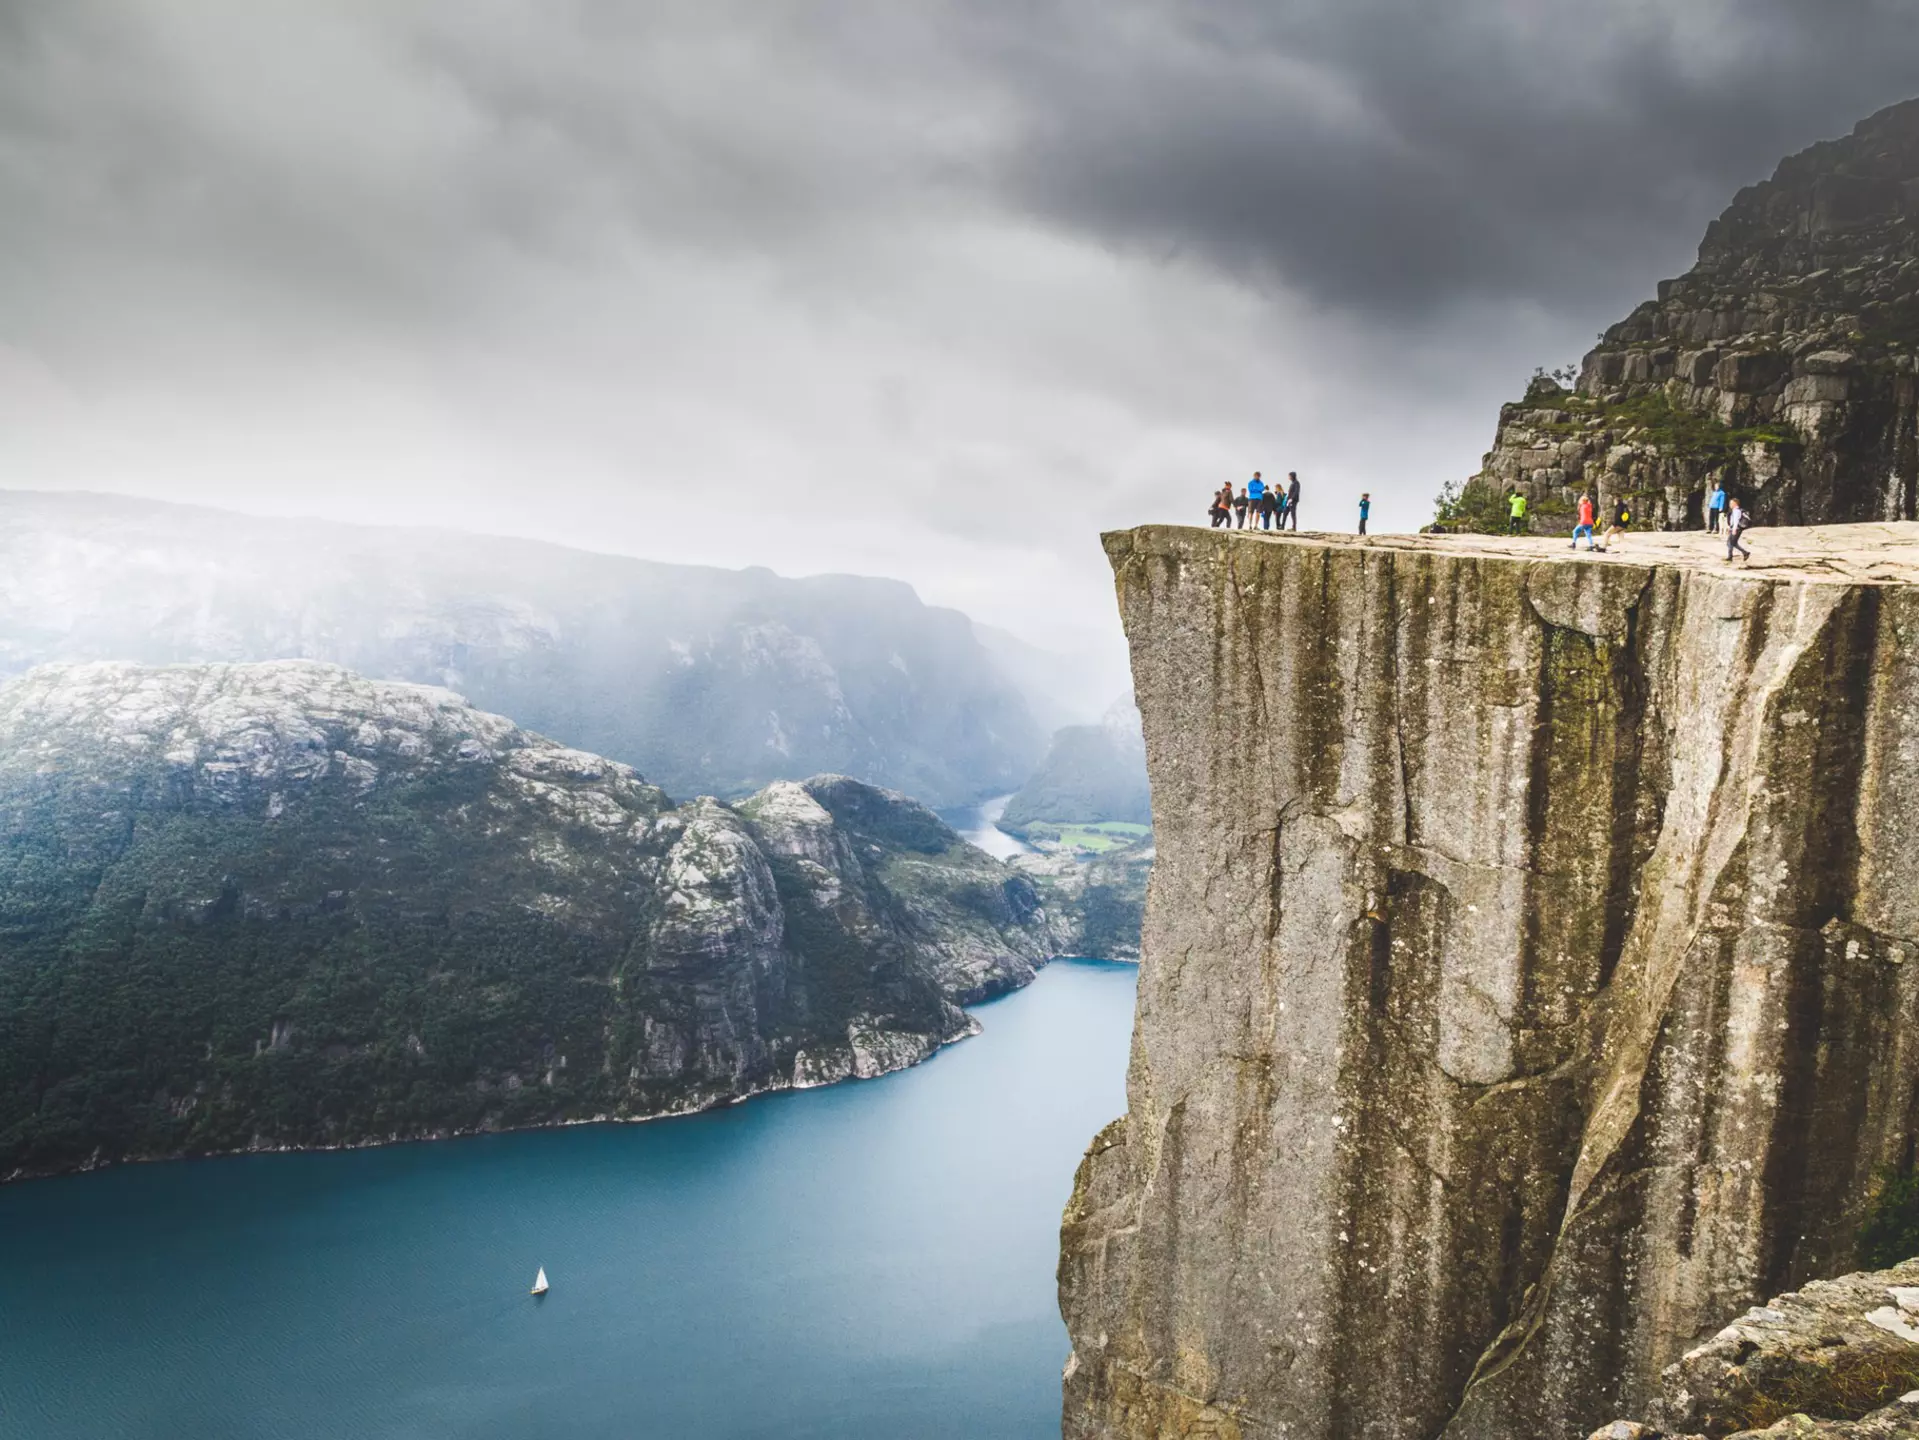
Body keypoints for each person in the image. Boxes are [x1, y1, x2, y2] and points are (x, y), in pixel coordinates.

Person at [1726, 496, 1752, 562]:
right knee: (1730, 542)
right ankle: (1731, 556)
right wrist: (1730, 528)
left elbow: (1736, 521)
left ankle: (1744, 553)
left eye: (1731, 503)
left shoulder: (1737, 511)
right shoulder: (1734, 511)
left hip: (1737, 529)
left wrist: (1734, 529)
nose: (1730, 505)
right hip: (1735, 528)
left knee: (1732, 543)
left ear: (1735, 504)